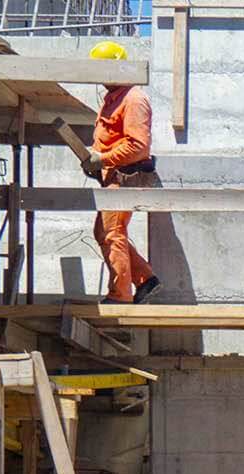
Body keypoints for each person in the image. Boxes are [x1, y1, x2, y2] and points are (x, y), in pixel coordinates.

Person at [85, 41, 160, 304]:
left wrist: (102, 158)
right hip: (113, 176)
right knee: (103, 232)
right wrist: (95, 158)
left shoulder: (133, 99)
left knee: (111, 233)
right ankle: (145, 279)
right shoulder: (114, 97)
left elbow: (138, 147)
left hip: (127, 175)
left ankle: (121, 296)